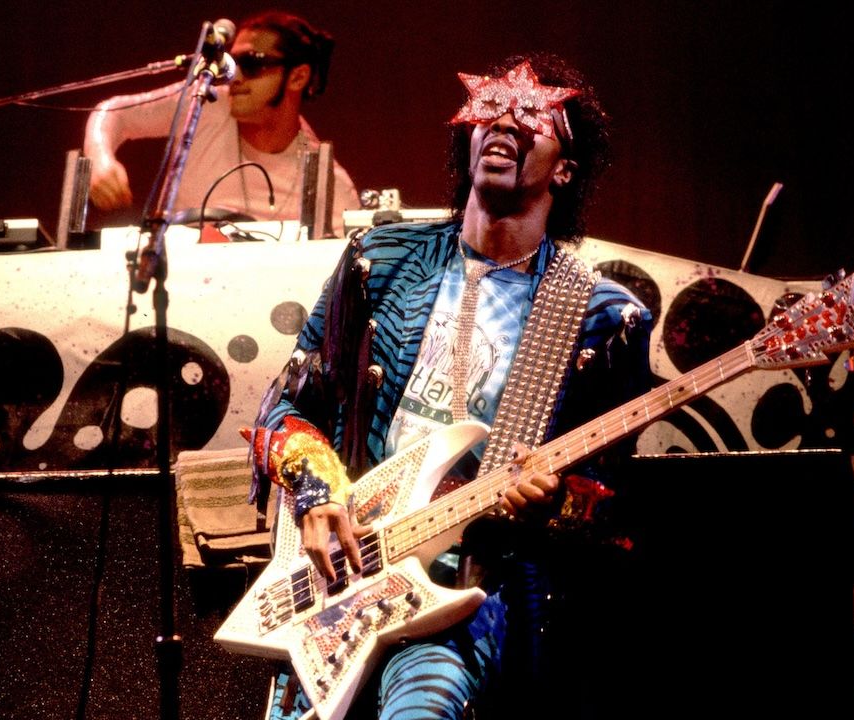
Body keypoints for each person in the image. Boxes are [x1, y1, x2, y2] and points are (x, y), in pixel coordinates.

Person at [244, 53, 652, 719]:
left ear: (566, 168)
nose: (504, 125)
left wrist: (552, 503)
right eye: (489, 111)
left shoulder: (600, 316)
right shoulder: (381, 263)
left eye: (532, 117)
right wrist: (318, 494)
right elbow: (287, 407)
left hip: (467, 597)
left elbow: (616, 515)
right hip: (342, 582)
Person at [83, 11, 359, 234]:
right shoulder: (206, 102)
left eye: (252, 64)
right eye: (232, 63)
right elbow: (115, 111)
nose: (234, 77)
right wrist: (99, 157)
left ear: (298, 77)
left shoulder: (330, 186)